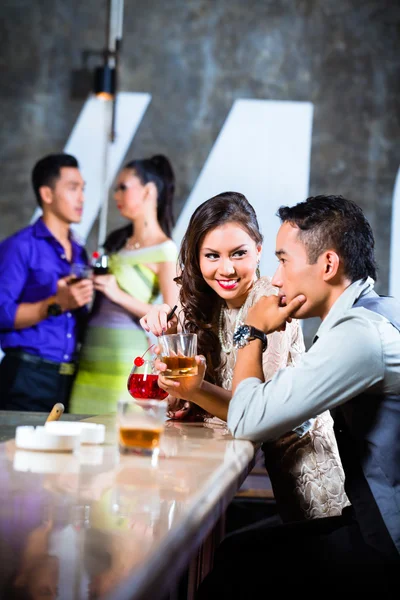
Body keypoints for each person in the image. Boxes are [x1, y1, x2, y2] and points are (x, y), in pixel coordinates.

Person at [167, 194, 399, 598]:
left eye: (283, 260)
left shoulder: (360, 336)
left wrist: (250, 332)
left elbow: (249, 418)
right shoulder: (368, 317)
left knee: (233, 566)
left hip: (383, 534)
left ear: (327, 265)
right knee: (236, 554)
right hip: (367, 516)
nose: (276, 278)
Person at [141, 191, 349, 522]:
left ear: (259, 251)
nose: (226, 269)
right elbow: (180, 405)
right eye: (211, 256)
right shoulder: (204, 306)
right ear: (196, 258)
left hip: (320, 482)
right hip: (280, 481)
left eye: (238, 253)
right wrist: (170, 342)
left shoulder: (271, 303)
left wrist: (196, 389)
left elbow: (253, 413)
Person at [69, 155, 179, 415]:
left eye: (123, 187)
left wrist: (116, 294)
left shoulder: (165, 250)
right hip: (88, 358)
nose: (116, 195)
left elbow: (172, 317)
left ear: (149, 191)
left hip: (124, 361)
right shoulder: (116, 240)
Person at [0, 153, 93, 413]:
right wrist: (55, 303)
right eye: (73, 188)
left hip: (69, 379)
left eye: (83, 189)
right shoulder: (20, 246)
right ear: (47, 194)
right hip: (27, 376)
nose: (82, 198)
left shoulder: (79, 250)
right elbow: (1, 313)